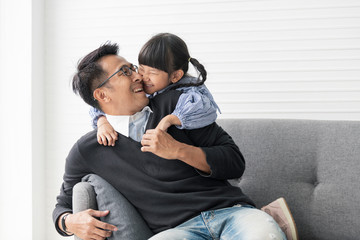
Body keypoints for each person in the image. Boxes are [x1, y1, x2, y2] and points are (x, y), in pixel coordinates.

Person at [53, 42, 295, 240]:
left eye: (133, 67)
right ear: (102, 94)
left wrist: (178, 150)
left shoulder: (177, 107)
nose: (138, 75)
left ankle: (268, 222)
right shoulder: (88, 150)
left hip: (231, 213)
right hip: (177, 232)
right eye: (125, 72)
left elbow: (234, 162)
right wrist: (70, 222)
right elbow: (61, 205)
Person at [90, 33, 220, 147]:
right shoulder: (147, 84)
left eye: (152, 72)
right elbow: (104, 101)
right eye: (141, 69)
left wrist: (168, 120)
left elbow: (204, 109)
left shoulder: (188, 93)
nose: (142, 77)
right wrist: (102, 121)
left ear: (175, 76)